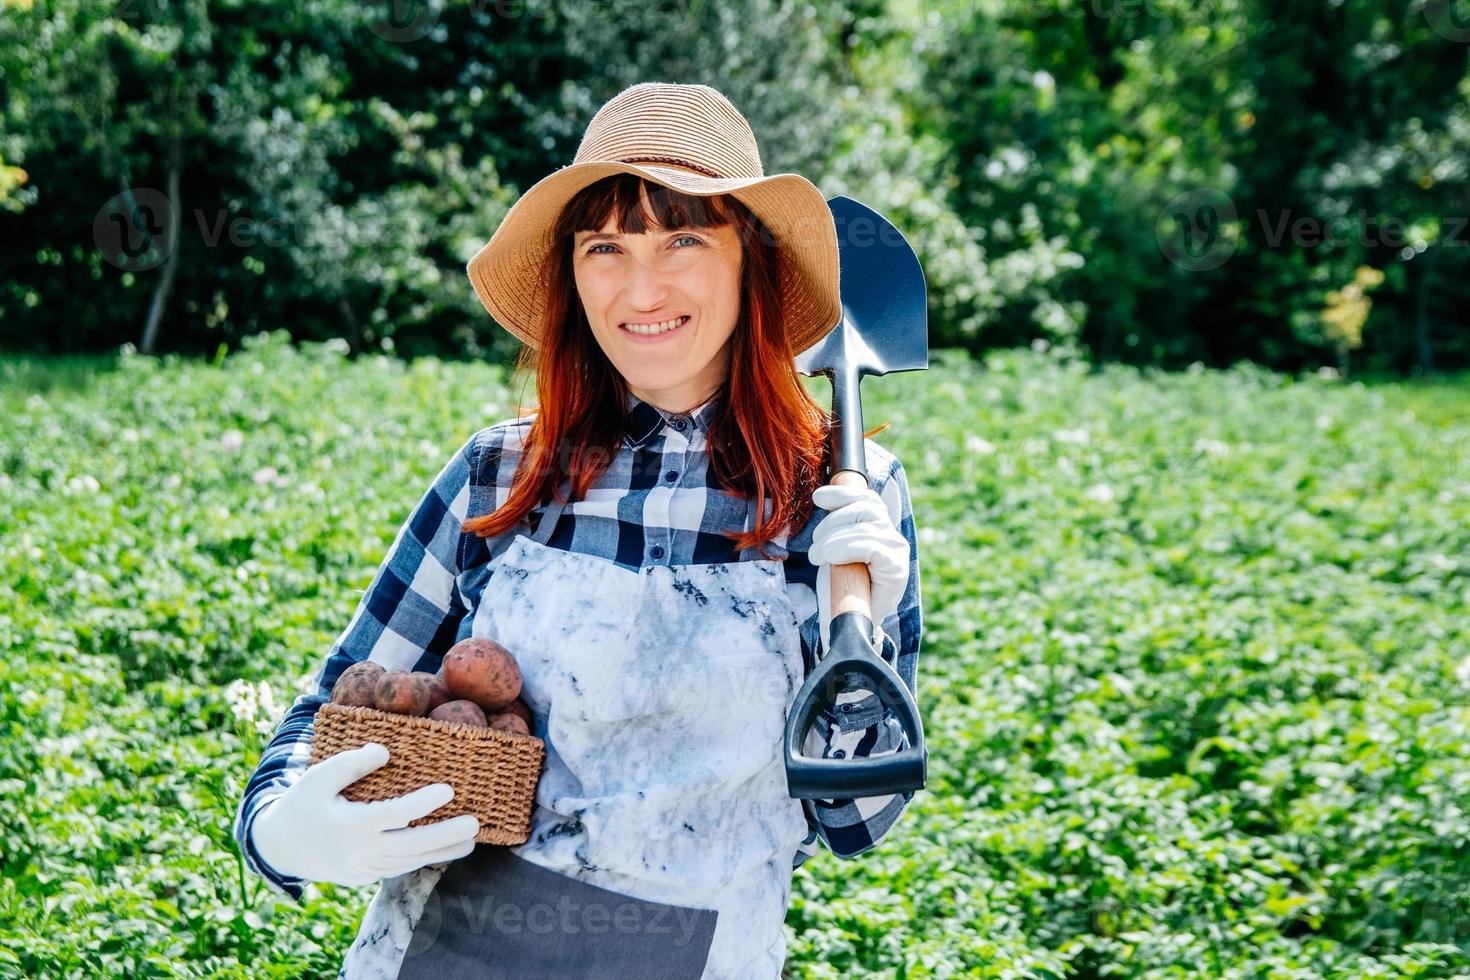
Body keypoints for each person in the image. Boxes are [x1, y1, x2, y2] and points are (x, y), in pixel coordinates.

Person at [232, 81, 923, 979]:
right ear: (573, 275)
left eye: (684, 237)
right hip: (448, 952)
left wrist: (869, 626)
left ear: (749, 263)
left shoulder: (838, 496)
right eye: (606, 246)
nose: (642, 286)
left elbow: (855, 821)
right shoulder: (501, 473)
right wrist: (284, 829)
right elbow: (322, 713)